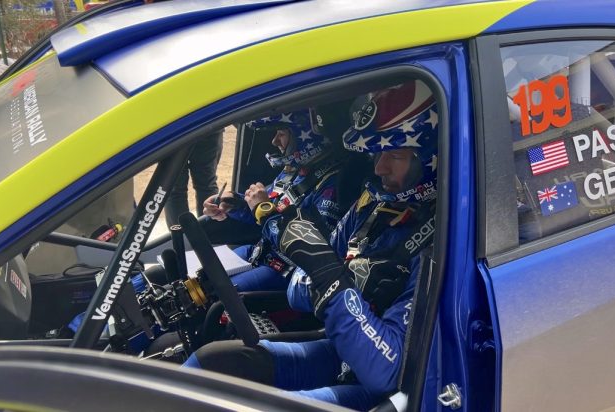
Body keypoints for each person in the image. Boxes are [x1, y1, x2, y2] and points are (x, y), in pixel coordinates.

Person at [183, 80, 439, 411]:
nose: (379, 168)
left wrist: (333, 279)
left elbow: (384, 372)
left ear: (429, 157)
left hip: (374, 387)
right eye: (378, 153)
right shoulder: (372, 205)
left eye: (395, 154)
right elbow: (298, 287)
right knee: (210, 363)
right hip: (339, 351)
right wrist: (340, 281)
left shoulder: (437, 240)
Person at [202, 109, 349, 292]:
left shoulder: (333, 184)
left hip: (289, 269)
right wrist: (234, 203)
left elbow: (314, 247)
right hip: (261, 252)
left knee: (218, 294)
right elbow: (264, 209)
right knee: (201, 276)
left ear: (304, 136)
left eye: (281, 134)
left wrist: (263, 209)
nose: (274, 141)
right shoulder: (294, 171)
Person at [164, 130, 223, 228]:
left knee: (174, 189)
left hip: (172, 130)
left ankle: (180, 234)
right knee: (206, 185)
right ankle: (209, 231)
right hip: (207, 127)